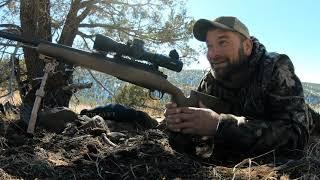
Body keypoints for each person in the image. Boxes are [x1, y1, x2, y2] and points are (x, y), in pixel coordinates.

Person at [164, 16, 312, 161]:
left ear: (247, 46)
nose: (212, 54)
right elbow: (200, 132)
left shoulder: (275, 68)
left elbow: (296, 137)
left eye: (223, 42)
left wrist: (219, 125)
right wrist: (179, 120)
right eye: (209, 46)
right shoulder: (211, 78)